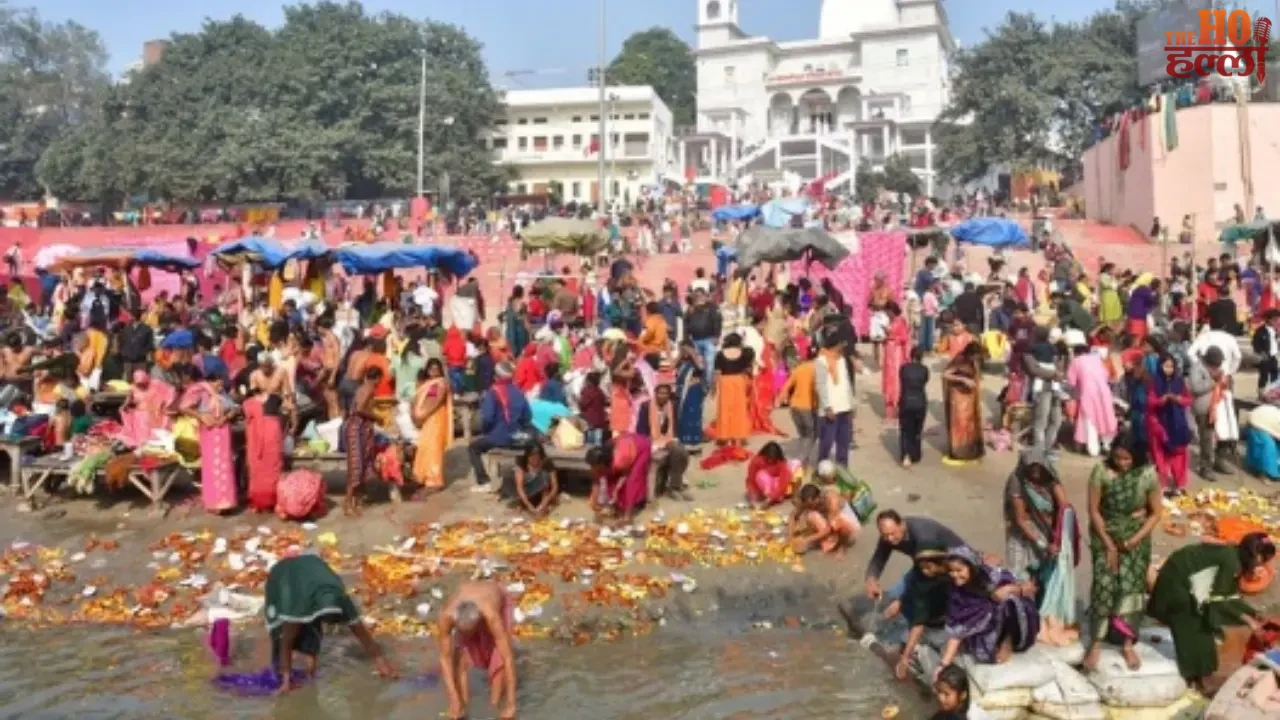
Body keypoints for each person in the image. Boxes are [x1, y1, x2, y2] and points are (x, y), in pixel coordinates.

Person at [1147, 532, 1274, 692]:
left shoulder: (1235, 557)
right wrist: (1249, 622)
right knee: (1192, 626)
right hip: (1177, 583)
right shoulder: (1231, 562)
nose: (1262, 566)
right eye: (1263, 560)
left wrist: (1253, 613)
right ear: (1255, 556)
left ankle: (1201, 676)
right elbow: (1218, 601)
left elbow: (1230, 595)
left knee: (1205, 629)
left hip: (1189, 583)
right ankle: (1194, 677)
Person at [1083, 435, 1163, 671]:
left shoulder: (1147, 474)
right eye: (1118, 457)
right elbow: (1093, 510)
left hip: (1136, 540)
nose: (1122, 463)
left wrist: (1133, 540)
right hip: (1104, 534)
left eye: (1127, 458)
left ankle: (1127, 643)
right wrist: (1108, 543)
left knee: (1131, 590)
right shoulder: (1101, 471)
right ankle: (1096, 643)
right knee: (1103, 587)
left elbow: (1155, 513)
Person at [265, 553, 396, 693]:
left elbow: (364, 637)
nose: (332, 625)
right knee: (283, 633)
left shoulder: (342, 601)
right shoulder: (298, 607)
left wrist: (382, 664)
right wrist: (286, 681)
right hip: (287, 576)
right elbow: (286, 642)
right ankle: (285, 672)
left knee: (310, 635)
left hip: (313, 577)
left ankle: (310, 672)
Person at [1003, 448, 1079, 646]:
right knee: (1021, 576)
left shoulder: (1051, 479)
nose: (1035, 474)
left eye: (1039, 470)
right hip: (1022, 535)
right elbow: (1021, 519)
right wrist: (1041, 543)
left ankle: (1044, 619)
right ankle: (1023, 624)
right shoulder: (1017, 481)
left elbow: (1065, 507)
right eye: (1031, 470)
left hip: (1048, 532)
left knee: (1045, 577)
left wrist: (1060, 534)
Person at [937, 546, 1040, 670]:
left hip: (1005, 619)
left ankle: (1008, 642)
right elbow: (957, 629)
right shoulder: (956, 592)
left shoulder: (989, 577)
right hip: (984, 627)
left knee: (1010, 601)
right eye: (951, 571)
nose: (954, 575)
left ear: (971, 568)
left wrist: (1009, 590)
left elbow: (1017, 585)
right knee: (984, 656)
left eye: (959, 570)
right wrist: (944, 664)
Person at [865, 511, 967, 601]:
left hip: (952, 564)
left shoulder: (923, 536)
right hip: (925, 566)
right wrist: (871, 579)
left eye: (892, 534)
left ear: (902, 524)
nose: (890, 539)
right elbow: (878, 558)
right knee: (892, 596)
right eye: (885, 535)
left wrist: (902, 602)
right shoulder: (888, 536)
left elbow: (928, 575)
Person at [181, 366, 238, 514]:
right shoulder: (199, 390)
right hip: (209, 432)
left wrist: (225, 417)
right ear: (212, 380)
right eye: (218, 383)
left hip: (223, 431)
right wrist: (201, 416)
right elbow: (184, 407)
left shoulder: (221, 392)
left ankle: (226, 501)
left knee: (225, 464)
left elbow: (234, 408)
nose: (220, 386)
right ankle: (214, 502)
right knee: (211, 466)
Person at [468, 362, 532, 491]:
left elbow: (487, 418)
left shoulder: (493, 392)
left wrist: (487, 431)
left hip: (498, 437)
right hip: (516, 437)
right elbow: (527, 416)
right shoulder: (519, 392)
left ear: (497, 376)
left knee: (473, 448)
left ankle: (484, 482)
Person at [635, 382, 692, 500]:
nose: (663, 396)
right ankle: (675, 487)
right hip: (650, 440)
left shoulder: (671, 406)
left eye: (665, 393)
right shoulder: (646, 406)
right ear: (655, 394)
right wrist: (650, 440)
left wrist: (671, 438)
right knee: (677, 451)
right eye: (660, 393)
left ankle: (676, 484)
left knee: (684, 454)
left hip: (667, 438)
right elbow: (640, 429)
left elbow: (674, 426)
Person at [1146, 352, 1193, 495]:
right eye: (1166, 366)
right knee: (1161, 456)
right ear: (1160, 366)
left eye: (1171, 366)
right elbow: (1150, 402)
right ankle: (1162, 485)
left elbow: (1188, 400)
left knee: (1179, 455)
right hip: (1159, 424)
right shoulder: (1154, 382)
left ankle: (1179, 484)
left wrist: (1178, 399)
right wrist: (1163, 399)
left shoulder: (1179, 382)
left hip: (1177, 425)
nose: (1169, 369)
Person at [343, 366, 383, 516]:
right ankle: (348, 503)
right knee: (356, 467)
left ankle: (355, 500)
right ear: (377, 378)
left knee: (362, 463)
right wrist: (377, 418)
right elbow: (359, 408)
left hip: (359, 428)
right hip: (357, 429)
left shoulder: (362, 388)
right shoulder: (369, 389)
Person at [587, 433, 651, 524]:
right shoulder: (599, 462)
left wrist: (617, 490)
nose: (593, 468)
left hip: (640, 447)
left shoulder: (620, 461)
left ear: (602, 464)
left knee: (633, 480)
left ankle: (628, 516)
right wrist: (594, 501)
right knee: (610, 479)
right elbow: (596, 480)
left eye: (595, 467)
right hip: (623, 443)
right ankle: (615, 507)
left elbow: (626, 476)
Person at [1189, 346, 1234, 478]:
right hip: (1205, 409)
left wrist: (1226, 382)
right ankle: (1205, 467)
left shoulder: (1217, 369)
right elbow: (1195, 388)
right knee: (1207, 439)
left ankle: (1220, 461)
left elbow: (1225, 383)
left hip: (1220, 407)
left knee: (1225, 436)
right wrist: (1213, 381)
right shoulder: (1197, 368)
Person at [1066, 342, 1117, 456]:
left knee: (1090, 420)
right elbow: (1106, 376)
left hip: (1088, 394)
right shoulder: (1097, 360)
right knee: (1105, 417)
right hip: (1104, 392)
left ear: (1075, 353)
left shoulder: (1076, 361)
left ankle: (1093, 450)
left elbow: (1070, 382)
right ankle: (1106, 445)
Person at [412, 359, 452, 492]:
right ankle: (423, 477)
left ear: (440, 370)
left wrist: (421, 416)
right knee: (424, 447)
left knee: (434, 448)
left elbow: (435, 402)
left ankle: (435, 481)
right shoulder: (426, 384)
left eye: (436, 369)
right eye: (431, 369)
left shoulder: (440, 384)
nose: (434, 371)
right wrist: (416, 416)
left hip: (436, 419)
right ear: (427, 370)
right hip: (426, 420)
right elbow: (417, 400)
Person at [815, 333, 856, 465]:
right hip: (831, 409)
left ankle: (842, 468)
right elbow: (821, 386)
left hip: (844, 406)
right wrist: (827, 406)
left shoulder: (842, 360)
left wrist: (852, 404)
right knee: (827, 441)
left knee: (844, 441)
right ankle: (822, 466)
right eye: (840, 345)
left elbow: (846, 383)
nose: (842, 347)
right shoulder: (821, 361)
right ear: (835, 345)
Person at [942, 342, 984, 463]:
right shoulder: (960, 359)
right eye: (975, 356)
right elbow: (945, 374)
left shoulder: (974, 361)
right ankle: (958, 451)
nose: (976, 359)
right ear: (970, 353)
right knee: (959, 424)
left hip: (970, 397)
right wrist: (963, 379)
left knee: (970, 424)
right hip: (958, 395)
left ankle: (970, 450)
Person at [788, 483, 859, 555]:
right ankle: (826, 540)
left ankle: (836, 544)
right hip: (831, 524)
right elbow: (793, 516)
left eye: (813, 505)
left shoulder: (831, 500)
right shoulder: (807, 500)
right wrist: (790, 536)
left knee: (837, 523)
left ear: (819, 497)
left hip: (849, 529)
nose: (811, 507)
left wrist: (807, 540)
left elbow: (829, 529)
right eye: (808, 505)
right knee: (811, 515)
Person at [244, 393, 286, 513]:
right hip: (260, 433)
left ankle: (271, 500)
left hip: (270, 432)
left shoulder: (279, 384)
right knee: (258, 467)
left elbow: (288, 406)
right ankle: (260, 501)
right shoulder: (249, 399)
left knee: (271, 467)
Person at [711, 333, 754, 445]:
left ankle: (724, 436)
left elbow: (717, 372)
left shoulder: (720, 354)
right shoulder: (743, 353)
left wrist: (713, 387)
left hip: (725, 382)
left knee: (725, 409)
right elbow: (747, 369)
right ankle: (740, 435)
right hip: (739, 381)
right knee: (739, 409)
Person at [501, 442, 559, 517]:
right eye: (532, 457)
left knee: (545, 477)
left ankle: (540, 504)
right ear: (527, 456)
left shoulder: (546, 462)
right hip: (522, 488)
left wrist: (545, 502)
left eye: (537, 457)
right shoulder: (521, 462)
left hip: (536, 487)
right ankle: (523, 503)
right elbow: (520, 488)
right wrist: (530, 507)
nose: (535, 460)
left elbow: (554, 486)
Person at [899, 347, 930, 468]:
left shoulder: (903, 368)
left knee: (906, 429)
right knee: (917, 429)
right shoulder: (924, 370)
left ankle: (906, 456)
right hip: (920, 401)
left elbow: (902, 381)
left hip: (906, 401)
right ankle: (915, 455)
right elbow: (925, 381)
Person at [881, 301, 911, 423]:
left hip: (897, 354)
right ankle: (890, 410)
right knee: (888, 380)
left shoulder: (900, 321)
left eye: (887, 312)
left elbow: (904, 338)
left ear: (892, 310)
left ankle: (897, 409)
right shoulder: (891, 321)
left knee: (895, 381)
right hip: (889, 353)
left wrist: (892, 338)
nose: (887, 314)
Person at [673, 341, 706, 446]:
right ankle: (683, 437)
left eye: (685, 349)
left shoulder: (698, 358)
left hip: (694, 390)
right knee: (682, 413)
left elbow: (701, 368)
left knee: (693, 414)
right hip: (682, 390)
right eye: (682, 349)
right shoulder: (681, 361)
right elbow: (672, 366)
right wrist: (680, 354)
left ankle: (694, 438)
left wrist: (692, 354)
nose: (684, 352)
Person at [744, 441, 792, 509]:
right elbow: (751, 480)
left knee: (779, 493)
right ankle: (766, 496)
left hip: (776, 486)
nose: (770, 461)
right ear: (764, 455)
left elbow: (783, 484)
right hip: (763, 487)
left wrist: (770, 499)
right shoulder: (756, 461)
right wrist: (752, 498)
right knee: (761, 475)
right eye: (768, 458)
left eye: (773, 459)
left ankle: (772, 497)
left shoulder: (782, 463)